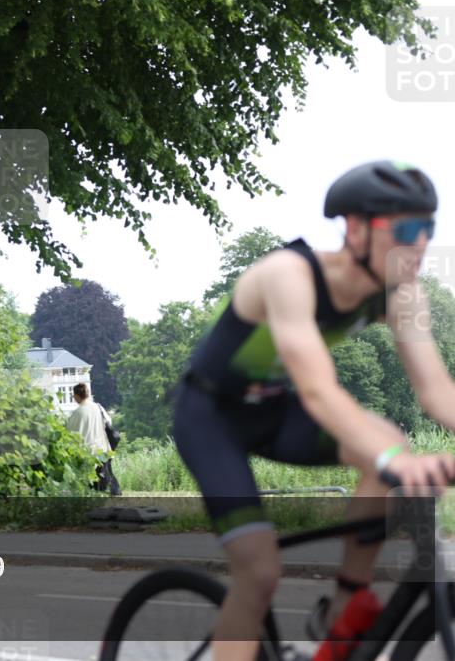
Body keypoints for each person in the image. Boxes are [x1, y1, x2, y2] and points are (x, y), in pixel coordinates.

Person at [171, 160, 455, 661]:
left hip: (278, 412)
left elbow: (436, 391)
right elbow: (320, 392)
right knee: (258, 573)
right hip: (211, 416)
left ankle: (342, 610)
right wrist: (397, 463)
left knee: (390, 438)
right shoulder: (289, 274)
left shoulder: (401, 294)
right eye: (407, 229)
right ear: (356, 228)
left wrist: (393, 456)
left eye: (428, 228)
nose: (420, 244)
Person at [67, 383, 120, 495]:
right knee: (106, 476)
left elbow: (70, 433)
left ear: (76, 396)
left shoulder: (77, 413)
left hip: (88, 453)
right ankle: (114, 495)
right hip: (103, 449)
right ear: (87, 394)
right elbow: (109, 422)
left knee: (93, 483)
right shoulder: (98, 407)